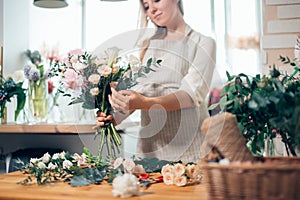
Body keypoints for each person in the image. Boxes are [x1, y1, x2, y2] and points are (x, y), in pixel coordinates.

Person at [96, 0, 216, 163]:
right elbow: (139, 92)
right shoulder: (147, 45)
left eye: (156, 0)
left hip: (189, 153)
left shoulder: (203, 43)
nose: (151, 9)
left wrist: (143, 102)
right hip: (148, 153)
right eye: (146, 6)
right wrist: (115, 115)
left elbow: (190, 96)